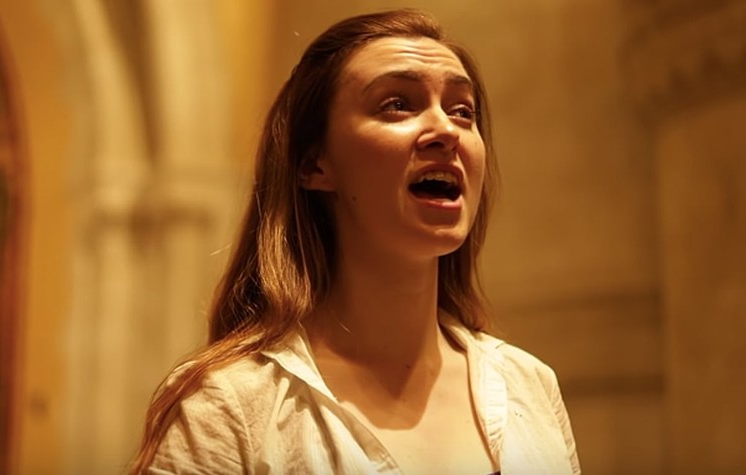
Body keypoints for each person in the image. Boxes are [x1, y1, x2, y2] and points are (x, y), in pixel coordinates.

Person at [130, 9, 580, 474]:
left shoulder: (528, 387)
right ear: (314, 164)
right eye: (397, 105)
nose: (446, 130)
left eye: (462, 111)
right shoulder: (231, 407)